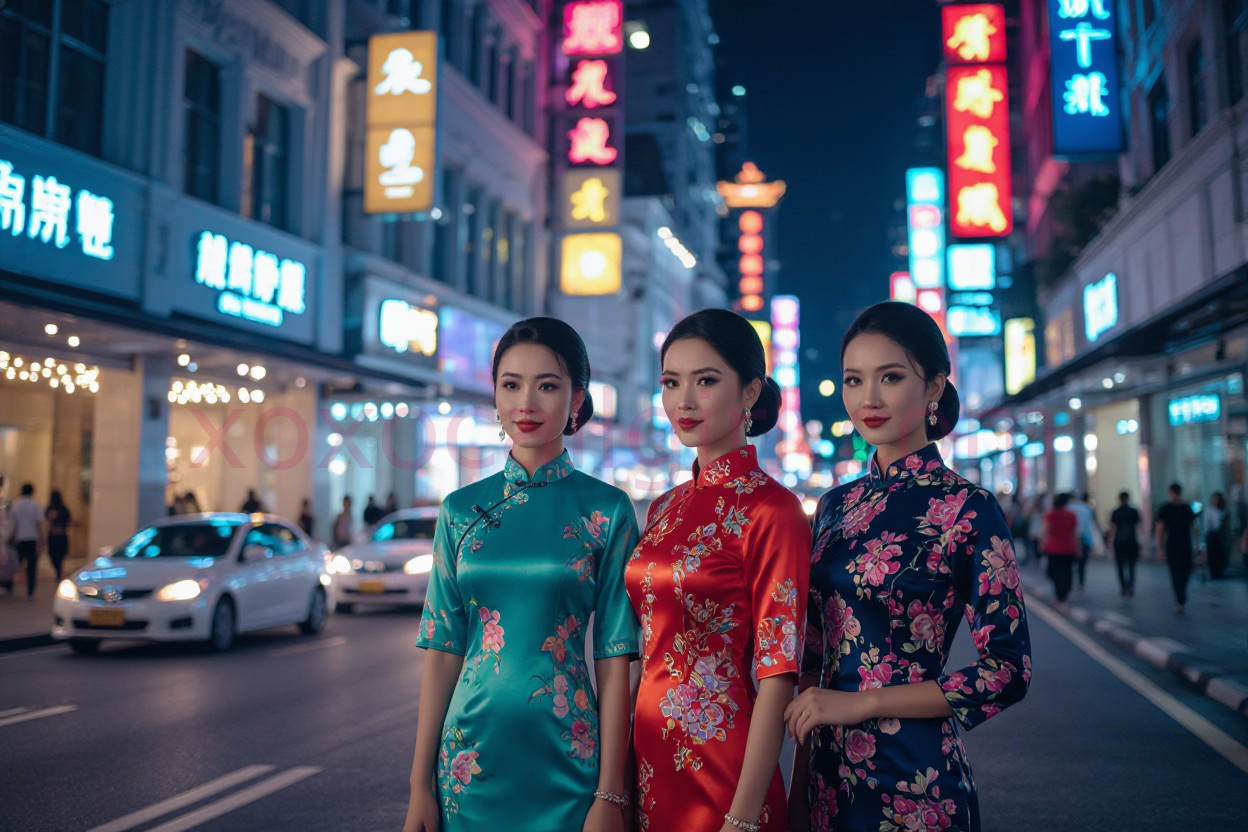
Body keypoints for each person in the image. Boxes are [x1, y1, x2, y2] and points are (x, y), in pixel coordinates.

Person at [789, 301, 1030, 832]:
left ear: (934, 386)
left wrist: (864, 703)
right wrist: (798, 786)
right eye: (854, 380)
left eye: (891, 377)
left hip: (917, 783)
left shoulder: (967, 508)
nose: (868, 399)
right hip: (827, 781)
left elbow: (1008, 671)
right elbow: (813, 661)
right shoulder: (834, 506)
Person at [404, 318, 638, 832]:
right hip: (469, 762)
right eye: (511, 385)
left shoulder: (607, 510)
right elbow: (443, 651)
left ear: (577, 399)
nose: (526, 403)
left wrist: (610, 791)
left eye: (547, 386)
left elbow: (616, 657)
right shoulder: (459, 511)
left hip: (570, 757)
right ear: (495, 395)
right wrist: (420, 785)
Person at [628, 309, 811, 832]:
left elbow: (778, 672)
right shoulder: (664, 507)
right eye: (671, 382)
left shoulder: (773, 510)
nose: (683, 401)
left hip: (725, 769)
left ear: (750, 391)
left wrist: (743, 816)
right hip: (647, 761)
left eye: (705, 381)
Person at [1155, 483, 1197, 613]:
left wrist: (1197, 545)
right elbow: (1160, 528)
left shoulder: (1186, 508)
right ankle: (1180, 599)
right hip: (1173, 545)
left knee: (1185, 572)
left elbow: (1193, 527)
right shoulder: (1165, 508)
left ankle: (1181, 596)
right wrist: (1160, 548)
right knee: (1175, 573)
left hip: (1184, 545)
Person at [1043, 494, 1081, 609]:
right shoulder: (1071, 515)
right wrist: (1078, 549)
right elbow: (1076, 534)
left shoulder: (1050, 515)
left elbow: (1046, 531)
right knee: (1067, 571)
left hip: (1054, 548)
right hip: (1069, 548)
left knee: (1055, 573)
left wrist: (1042, 545)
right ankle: (1064, 594)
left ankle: (1060, 595)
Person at [7, 483, 45, 599]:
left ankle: (9, 586)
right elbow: (39, 524)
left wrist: (10, 538)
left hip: (19, 539)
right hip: (32, 540)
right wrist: (41, 541)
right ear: (32, 492)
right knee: (32, 566)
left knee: (14, 564)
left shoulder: (16, 505)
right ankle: (30, 591)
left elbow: (13, 524)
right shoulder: (35, 505)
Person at [1107, 491, 1142, 597]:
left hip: (1119, 541)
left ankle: (1123, 587)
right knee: (1131, 566)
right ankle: (1130, 585)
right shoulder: (1133, 511)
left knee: (1120, 566)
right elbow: (1138, 527)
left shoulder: (1116, 512)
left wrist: (1110, 541)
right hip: (1131, 541)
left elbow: (1113, 528)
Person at [1068, 492, 1099, 591]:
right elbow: (1091, 525)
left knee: (1070, 564)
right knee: (1082, 563)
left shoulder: (1068, 508)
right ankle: (1080, 584)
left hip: (1071, 540)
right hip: (1085, 539)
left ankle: (1070, 584)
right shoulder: (1086, 509)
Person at [44, 490, 71, 583]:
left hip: (55, 536)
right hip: (60, 535)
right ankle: (58, 570)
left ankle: (58, 570)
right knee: (59, 554)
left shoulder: (55, 508)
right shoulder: (63, 508)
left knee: (54, 554)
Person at [1204, 492, 1229, 579]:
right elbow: (1207, 523)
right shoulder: (1209, 510)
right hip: (1211, 534)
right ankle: (1213, 572)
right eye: (1214, 499)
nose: (1216, 501)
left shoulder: (1221, 510)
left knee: (1220, 553)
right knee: (1212, 553)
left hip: (1220, 534)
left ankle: (1219, 571)